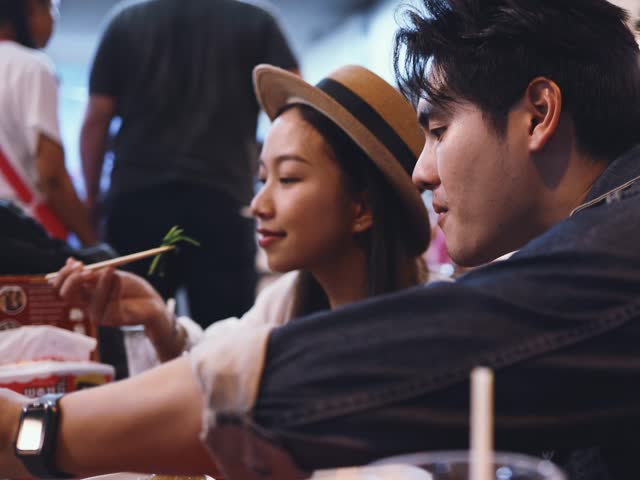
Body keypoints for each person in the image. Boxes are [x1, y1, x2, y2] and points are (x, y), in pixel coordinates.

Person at [1, 0, 640, 479]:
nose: (422, 171)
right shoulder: (629, 237)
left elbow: (369, 370)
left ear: (539, 114)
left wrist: (34, 434)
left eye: (439, 128)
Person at [54, 64, 434, 373]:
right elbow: (216, 359)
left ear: (361, 210)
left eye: (287, 178)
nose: (258, 205)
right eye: (262, 179)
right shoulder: (289, 300)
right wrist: (156, 316)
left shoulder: (426, 340)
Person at [80, 0, 299, 329]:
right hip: (222, 202)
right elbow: (295, 105)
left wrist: (93, 200)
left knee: (129, 329)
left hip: (138, 204)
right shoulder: (257, 21)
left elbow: (96, 120)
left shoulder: (125, 21)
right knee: (226, 338)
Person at [0, 0, 97, 245]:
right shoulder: (31, 67)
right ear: (31, 8)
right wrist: (92, 243)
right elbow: (52, 176)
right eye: (53, 8)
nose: (54, 19)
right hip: (19, 238)